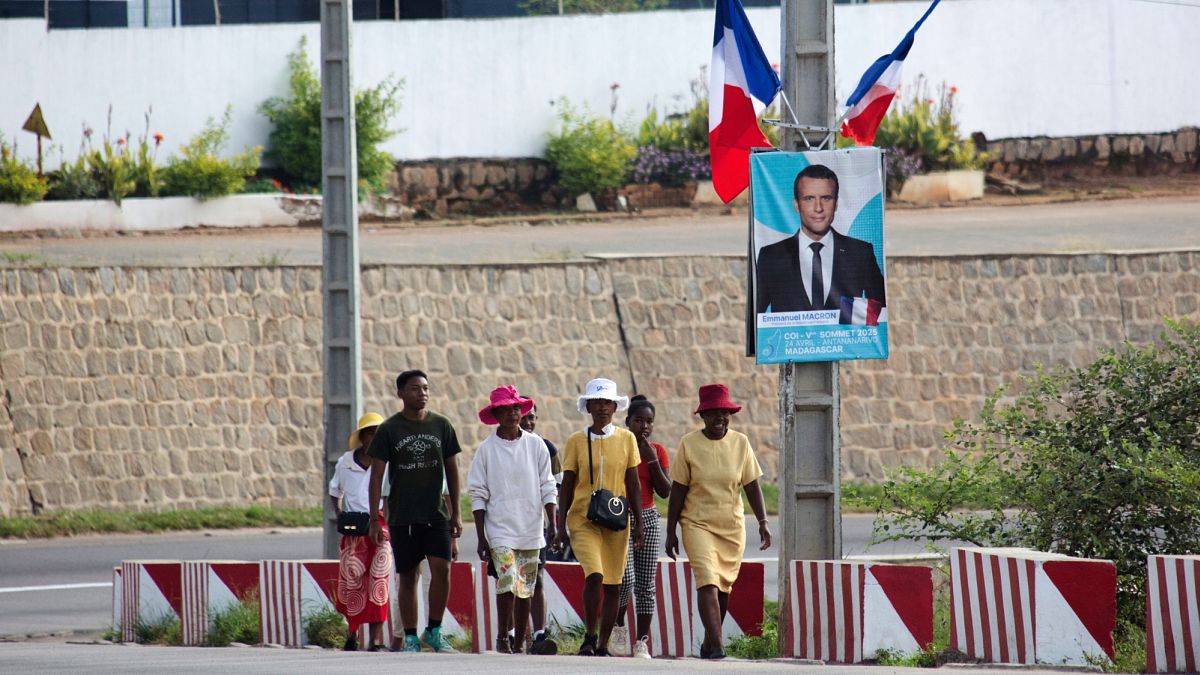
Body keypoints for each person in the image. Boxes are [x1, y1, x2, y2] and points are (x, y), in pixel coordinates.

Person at [665, 384, 771, 660]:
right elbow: (678, 490)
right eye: (713, 413)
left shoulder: (741, 443)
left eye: (724, 412)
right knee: (707, 580)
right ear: (703, 416)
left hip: (731, 526)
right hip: (696, 524)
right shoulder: (689, 444)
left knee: (723, 586)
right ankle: (719, 646)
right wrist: (671, 530)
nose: (719, 418)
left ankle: (709, 643)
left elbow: (751, 485)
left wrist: (762, 521)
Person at [367, 369, 463, 653]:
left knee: (442, 570)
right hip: (403, 516)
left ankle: (433, 630)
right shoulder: (389, 429)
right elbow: (376, 477)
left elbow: (453, 470)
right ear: (400, 393)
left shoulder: (441, 425)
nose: (422, 393)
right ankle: (410, 636)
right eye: (414, 388)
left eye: (425, 388)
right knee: (407, 576)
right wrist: (374, 519)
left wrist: (457, 513)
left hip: (436, 514)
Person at [551, 377, 644, 657]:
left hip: (616, 520)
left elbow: (634, 483)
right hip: (583, 519)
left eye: (607, 402)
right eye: (597, 402)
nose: (602, 407)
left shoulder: (627, 439)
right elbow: (567, 484)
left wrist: (639, 523)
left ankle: (603, 644)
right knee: (595, 574)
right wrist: (560, 526)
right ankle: (589, 636)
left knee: (614, 582)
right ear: (588, 407)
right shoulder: (576, 441)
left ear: (615, 407)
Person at [468, 386, 558, 654]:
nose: (512, 413)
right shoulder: (486, 450)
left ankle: (520, 641)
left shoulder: (536, 445)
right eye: (505, 409)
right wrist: (482, 537)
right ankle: (502, 637)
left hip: (530, 527)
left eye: (516, 408)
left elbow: (548, 485)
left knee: (525, 588)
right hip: (500, 529)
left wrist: (552, 523)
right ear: (496, 414)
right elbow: (478, 494)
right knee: (507, 581)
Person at [755, 163, 887, 316]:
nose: (818, 208)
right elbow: (755, 316)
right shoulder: (771, 256)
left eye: (826, 198)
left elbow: (881, 312)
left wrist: (843, 317)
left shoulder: (860, 253)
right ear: (796, 205)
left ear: (836, 204)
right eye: (809, 198)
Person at [609, 395, 671, 659]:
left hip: (648, 517)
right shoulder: (618, 446)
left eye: (649, 421)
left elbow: (665, 491)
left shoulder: (657, 450)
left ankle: (641, 642)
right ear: (627, 422)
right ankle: (618, 626)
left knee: (646, 585)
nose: (644, 426)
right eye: (638, 420)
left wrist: (652, 459)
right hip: (620, 516)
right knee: (625, 580)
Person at [329, 412, 392, 652]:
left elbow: (391, 494)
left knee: (379, 582)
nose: (375, 438)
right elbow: (334, 490)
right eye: (371, 433)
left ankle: (375, 639)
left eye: (379, 433)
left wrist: (387, 518)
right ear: (363, 436)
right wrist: (339, 513)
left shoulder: (388, 462)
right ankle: (352, 634)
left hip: (381, 527)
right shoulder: (346, 461)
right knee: (353, 582)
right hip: (354, 528)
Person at [518, 404, 563, 655]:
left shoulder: (547, 448)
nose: (527, 422)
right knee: (511, 583)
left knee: (536, 579)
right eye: (523, 417)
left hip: (537, 525)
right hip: (507, 525)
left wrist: (555, 524)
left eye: (531, 417)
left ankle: (538, 634)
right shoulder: (500, 446)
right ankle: (512, 635)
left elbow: (556, 486)